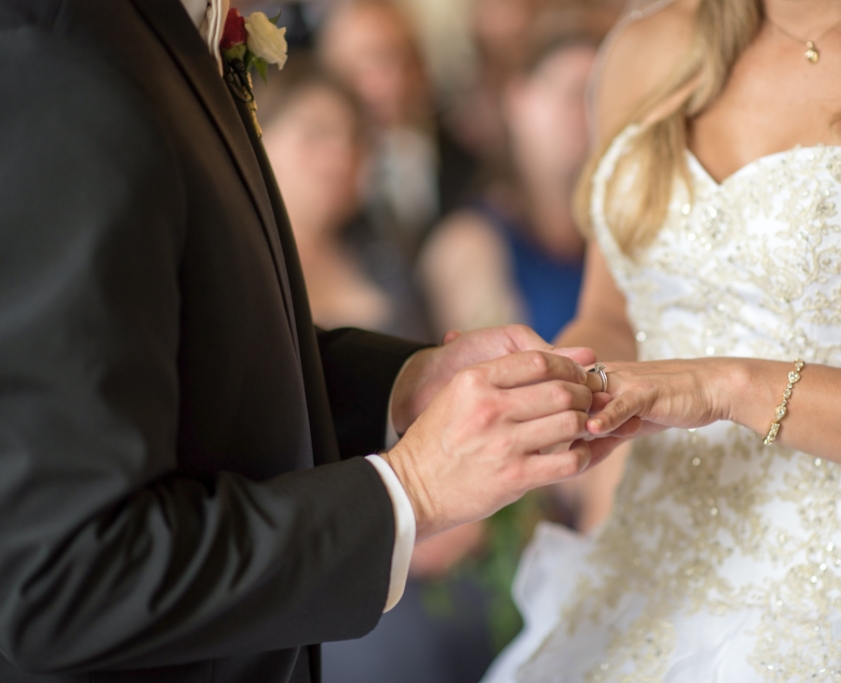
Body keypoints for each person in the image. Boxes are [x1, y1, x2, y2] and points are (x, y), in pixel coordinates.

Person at [0, 1, 633, 681]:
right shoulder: (60, 56)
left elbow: (197, 355)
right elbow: (63, 578)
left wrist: (408, 382)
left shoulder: (172, 35)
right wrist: (411, 488)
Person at [484, 0, 841, 680]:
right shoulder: (641, 47)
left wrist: (731, 387)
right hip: (648, 583)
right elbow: (616, 312)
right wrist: (557, 381)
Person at [420, 20, 599, 342]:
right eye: (574, 94)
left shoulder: (619, 233)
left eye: (599, 99)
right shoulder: (471, 244)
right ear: (518, 98)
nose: (589, 116)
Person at [260, 53, 432, 341]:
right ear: (259, 136)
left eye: (354, 139)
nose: (341, 158)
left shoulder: (386, 251)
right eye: (317, 133)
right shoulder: (237, 261)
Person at [317, 0, 480, 256]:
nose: (395, 77)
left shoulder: (466, 155)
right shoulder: (318, 168)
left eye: (405, 57)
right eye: (372, 61)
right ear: (335, 71)